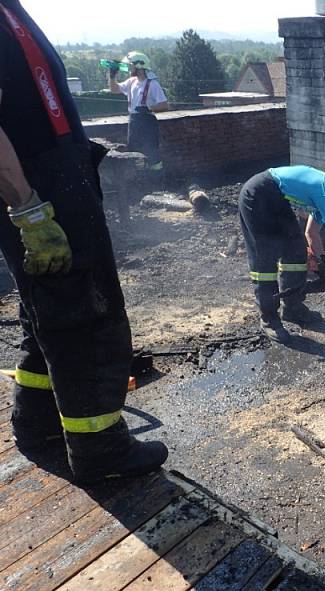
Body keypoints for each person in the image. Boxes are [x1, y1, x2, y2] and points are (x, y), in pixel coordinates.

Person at [0, 0, 168, 482]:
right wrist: (29, 208)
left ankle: (38, 420)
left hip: (51, 175)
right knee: (86, 314)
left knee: (47, 312)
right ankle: (100, 451)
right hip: (39, 187)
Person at [239, 164, 325, 343]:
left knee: (295, 249)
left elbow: (311, 233)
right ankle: (268, 318)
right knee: (265, 259)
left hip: (276, 199)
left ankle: (292, 307)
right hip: (257, 195)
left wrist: (322, 261)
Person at [108, 51, 169, 170]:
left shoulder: (153, 84)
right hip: (134, 121)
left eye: (131, 65)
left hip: (147, 121)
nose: (129, 68)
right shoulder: (131, 81)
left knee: (151, 151)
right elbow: (114, 89)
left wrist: (148, 108)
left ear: (139, 66)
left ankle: (158, 179)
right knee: (134, 151)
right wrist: (112, 76)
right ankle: (140, 180)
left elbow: (164, 105)